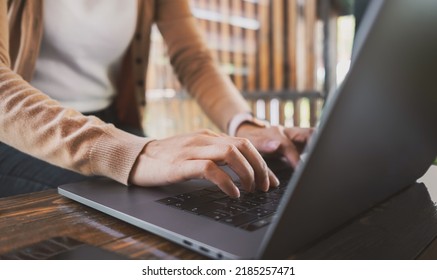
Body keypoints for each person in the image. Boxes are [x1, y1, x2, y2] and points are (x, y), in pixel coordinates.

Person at [0, 0, 312, 198]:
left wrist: (245, 126)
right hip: (18, 135)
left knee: (198, 187)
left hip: (107, 121)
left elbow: (194, 59)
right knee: (124, 203)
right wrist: (135, 153)